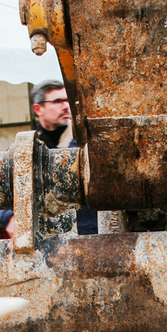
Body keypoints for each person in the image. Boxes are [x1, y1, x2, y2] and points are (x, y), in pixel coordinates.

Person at [29, 80, 97, 236]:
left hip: (89, 232)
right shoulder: (29, 148)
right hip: (49, 237)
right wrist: (10, 217)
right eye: (58, 101)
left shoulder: (84, 143)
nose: (66, 106)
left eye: (67, 101)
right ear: (38, 109)